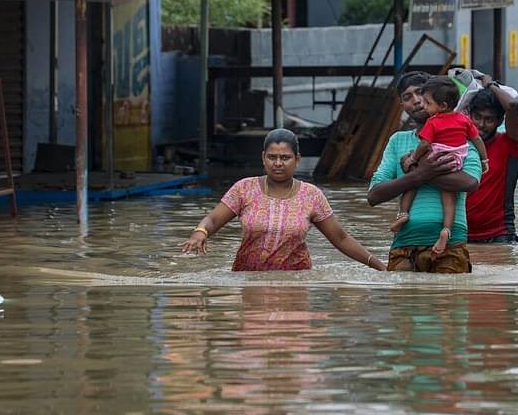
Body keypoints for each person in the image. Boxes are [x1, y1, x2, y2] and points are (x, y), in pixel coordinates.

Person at [181, 128, 386, 271]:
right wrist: (200, 232)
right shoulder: (244, 188)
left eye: (285, 158)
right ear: (263, 158)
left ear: (297, 159)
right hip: (248, 279)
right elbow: (214, 220)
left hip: (296, 282)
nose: (278, 163)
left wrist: (379, 266)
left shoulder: (311, 195)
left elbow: (340, 238)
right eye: (272, 157)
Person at [367, 72, 482, 273]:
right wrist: (418, 176)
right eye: (407, 97)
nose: (417, 101)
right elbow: (374, 195)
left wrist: (421, 172)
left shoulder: (460, 135)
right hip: (404, 245)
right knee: (404, 302)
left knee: (448, 303)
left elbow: (470, 182)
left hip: (450, 245)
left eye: (421, 93)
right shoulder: (398, 141)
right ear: (402, 106)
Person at [390, 76, 489, 254]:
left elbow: (425, 144)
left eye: (427, 101)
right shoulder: (463, 120)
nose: (421, 103)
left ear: (442, 106)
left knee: (411, 183)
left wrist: (414, 162)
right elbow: (477, 138)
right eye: (408, 97)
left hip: (435, 155)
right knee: (449, 198)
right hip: (455, 159)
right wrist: (485, 160)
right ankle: (446, 230)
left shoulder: (433, 122)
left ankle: (403, 214)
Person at [464, 74, 518, 243]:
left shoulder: (509, 144)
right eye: (477, 118)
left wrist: (490, 84)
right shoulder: (460, 145)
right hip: (461, 234)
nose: (482, 125)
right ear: (469, 116)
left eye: (489, 119)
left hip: (500, 234)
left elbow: (512, 105)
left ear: (499, 121)